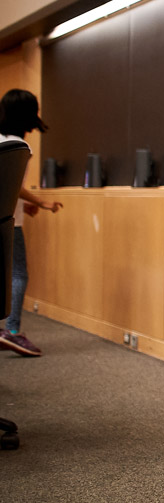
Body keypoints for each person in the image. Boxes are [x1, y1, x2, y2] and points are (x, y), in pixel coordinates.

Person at [0, 89, 62, 357]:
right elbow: (15, 185)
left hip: (7, 213)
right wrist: (41, 202)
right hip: (7, 221)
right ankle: (12, 331)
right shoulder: (20, 145)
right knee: (17, 274)